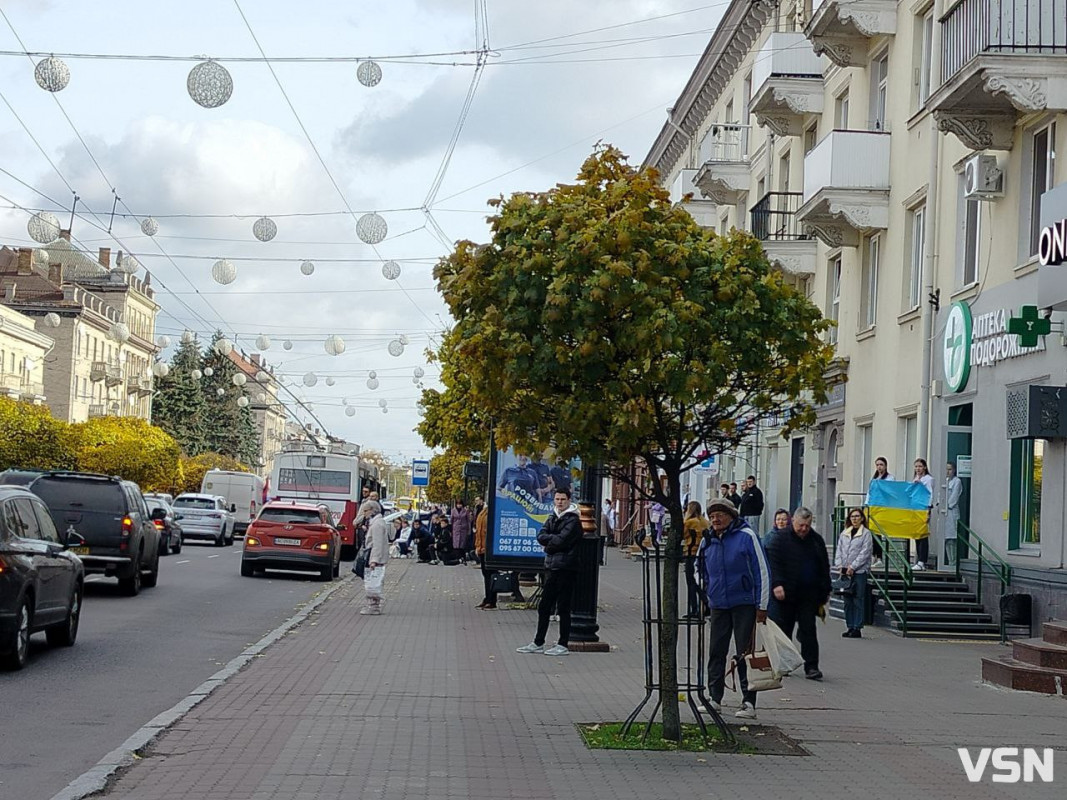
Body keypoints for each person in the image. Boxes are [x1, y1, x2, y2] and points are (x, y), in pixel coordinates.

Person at [699, 497, 769, 720]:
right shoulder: (708, 539)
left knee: (744, 654)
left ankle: (749, 702)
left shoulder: (747, 537)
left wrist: (762, 605)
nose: (715, 519)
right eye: (712, 516)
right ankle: (714, 698)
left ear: (731, 516)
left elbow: (762, 571)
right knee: (716, 652)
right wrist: (706, 590)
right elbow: (697, 568)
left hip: (744, 604)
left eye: (720, 515)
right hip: (718, 603)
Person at [765, 506, 832, 681]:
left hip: (808, 594)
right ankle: (783, 664)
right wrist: (777, 584)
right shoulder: (779, 539)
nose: (803, 529)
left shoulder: (816, 541)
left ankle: (812, 666)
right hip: (785, 594)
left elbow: (824, 566)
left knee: (808, 629)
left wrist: (825, 590)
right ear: (793, 521)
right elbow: (773, 563)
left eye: (807, 526)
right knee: (783, 630)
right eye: (801, 525)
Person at [516, 488, 583, 657]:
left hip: (566, 567)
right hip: (551, 567)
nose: (559, 502)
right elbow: (541, 535)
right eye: (557, 499)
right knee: (545, 605)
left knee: (563, 607)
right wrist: (552, 542)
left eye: (563, 499)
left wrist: (549, 544)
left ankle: (563, 644)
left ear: (569, 500)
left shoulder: (573, 520)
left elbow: (562, 540)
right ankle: (538, 642)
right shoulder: (552, 516)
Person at [834, 508, 873, 638]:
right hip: (845, 572)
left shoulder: (866, 534)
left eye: (857, 516)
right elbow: (839, 549)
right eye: (852, 517)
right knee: (847, 599)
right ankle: (849, 626)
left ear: (862, 518)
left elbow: (865, 552)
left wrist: (853, 566)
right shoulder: (845, 533)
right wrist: (840, 565)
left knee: (858, 599)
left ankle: (857, 627)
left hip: (859, 572)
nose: (854, 519)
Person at [360, 501, 390, 615]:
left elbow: (377, 544)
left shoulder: (377, 524)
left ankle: (373, 606)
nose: (364, 514)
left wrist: (374, 560)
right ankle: (373, 605)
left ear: (372, 510)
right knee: (374, 582)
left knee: (373, 582)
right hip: (375, 557)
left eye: (366, 511)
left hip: (375, 558)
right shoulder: (377, 522)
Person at [682, 501, 709, 618]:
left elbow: (682, 534)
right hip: (702, 553)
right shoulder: (704, 521)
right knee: (700, 580)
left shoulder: (689, 522)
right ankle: (704, 605)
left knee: (691, 582)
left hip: (691, 552)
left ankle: (695, 608)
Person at [912, 458, 935, 571]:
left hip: (923, 509)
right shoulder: (915, 479)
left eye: (920, 466)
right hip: (916, 509)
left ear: (925, 467)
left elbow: (930, 494)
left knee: (923, 535)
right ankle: (919, 560)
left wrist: (928, 509)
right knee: (917, 534)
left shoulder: (928, 479)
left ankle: (922, 560)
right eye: (916, 466)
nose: (918, 469)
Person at [474, 500, 497, 609]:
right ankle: (488, 598)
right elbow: (479, 531)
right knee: (486, 574)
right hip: (482, 548)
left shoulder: (492, 512)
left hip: (489, 549)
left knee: (490, 574)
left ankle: (491, 599)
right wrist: (478, 546)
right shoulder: (483, 512)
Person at [945, 462, 963, 543]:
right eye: (946, 469)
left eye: (949, 469)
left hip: (951, 511)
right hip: (943, 514)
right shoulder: (944, 481)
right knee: (944, 539)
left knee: (951, 540)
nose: (947, 472)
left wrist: (947, 506)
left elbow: (954, 497)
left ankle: (952, 556)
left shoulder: (957, 481)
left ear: (954, 470)